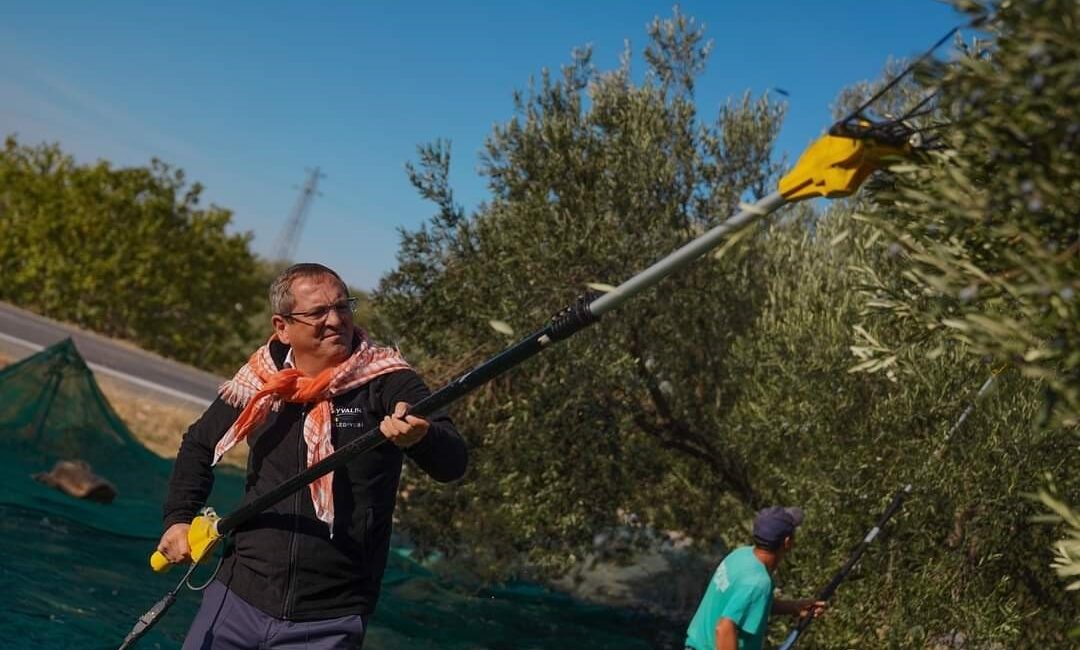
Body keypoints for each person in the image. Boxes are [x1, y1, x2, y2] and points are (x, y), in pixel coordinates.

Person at [156, 263, 468, 649]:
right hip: (238, 595)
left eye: (343, 307)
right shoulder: (261, 379)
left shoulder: (386, 379)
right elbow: (199, 444)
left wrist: (421, 437)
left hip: (330, 617)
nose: (336, 320)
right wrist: (178, 519)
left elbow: (453, 463)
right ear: (282, 326)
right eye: (318, 312)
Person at [685, 506, 826, 650]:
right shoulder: (758, 582)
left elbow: (749, 604)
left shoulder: (740, 555)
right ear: (787, 542)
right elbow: (724, 628)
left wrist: (795, 607)